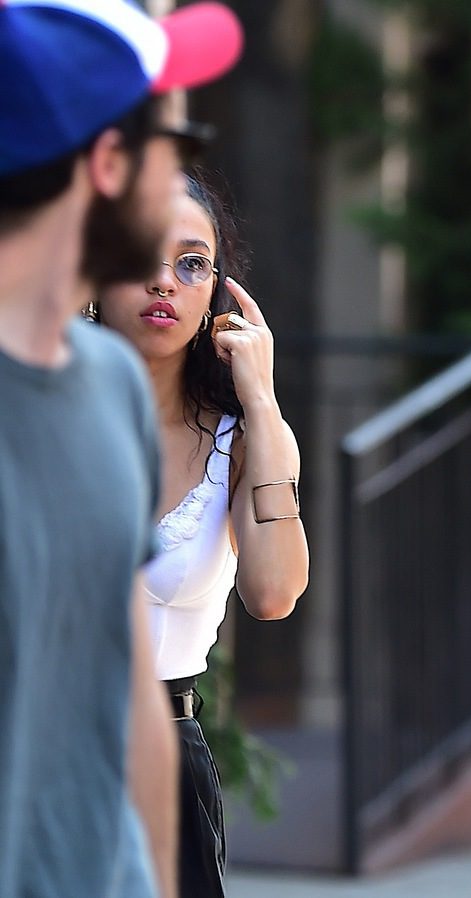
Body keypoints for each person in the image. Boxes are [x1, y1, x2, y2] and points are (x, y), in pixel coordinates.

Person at [0, 3, 242, 898]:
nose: (187, 177)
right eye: (174, 143)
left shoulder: (104, 386)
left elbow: (131, 685)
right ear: (107, 164)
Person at [91, 171, 309, 898]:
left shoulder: (247, 442)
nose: (166, 283)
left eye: (192, 264)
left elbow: (274, 593)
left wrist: (262, 397)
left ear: (215, 292)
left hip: (161, 762)